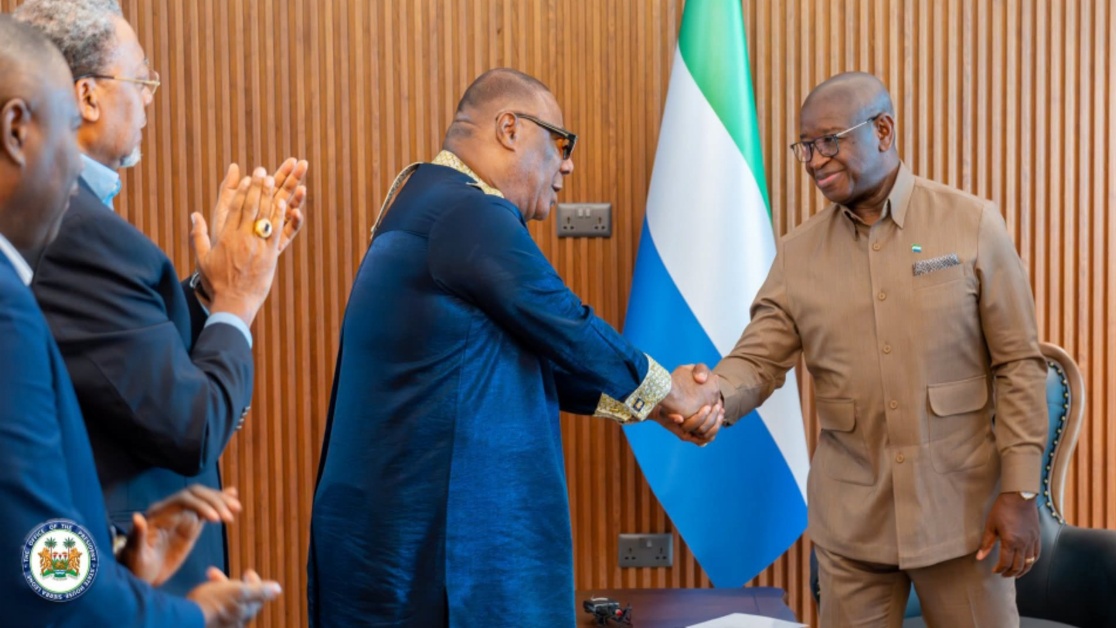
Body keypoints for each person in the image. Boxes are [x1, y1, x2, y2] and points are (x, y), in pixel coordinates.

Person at [307, 68, 720, 627]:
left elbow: (529, 357)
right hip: (442, 554)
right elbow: (562, 320)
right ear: (508, 128)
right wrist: (669, 392)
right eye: (560, 143)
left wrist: (650, 406)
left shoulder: (427, 201)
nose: (568, 164)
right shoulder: (468, 211)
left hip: (393, 543)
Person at [693, 72, 1048, 626]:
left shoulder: (972, 223)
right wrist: (711, 394)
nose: (813, 159)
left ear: (883, 130)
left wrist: (1022, 492)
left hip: (962, 520)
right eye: (805, 146)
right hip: (853, 529)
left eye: (829, 140)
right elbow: (758, 359)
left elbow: (1019, 364)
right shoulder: (798, 253)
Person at [14, 0, 308, 595]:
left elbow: (129, 374)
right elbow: (190, 424)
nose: (150, 98)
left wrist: (207, 293)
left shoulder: (84, 223)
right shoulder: (77, 230)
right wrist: (239, 298)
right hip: (115, 570)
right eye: (142, 79)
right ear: (87, 97)